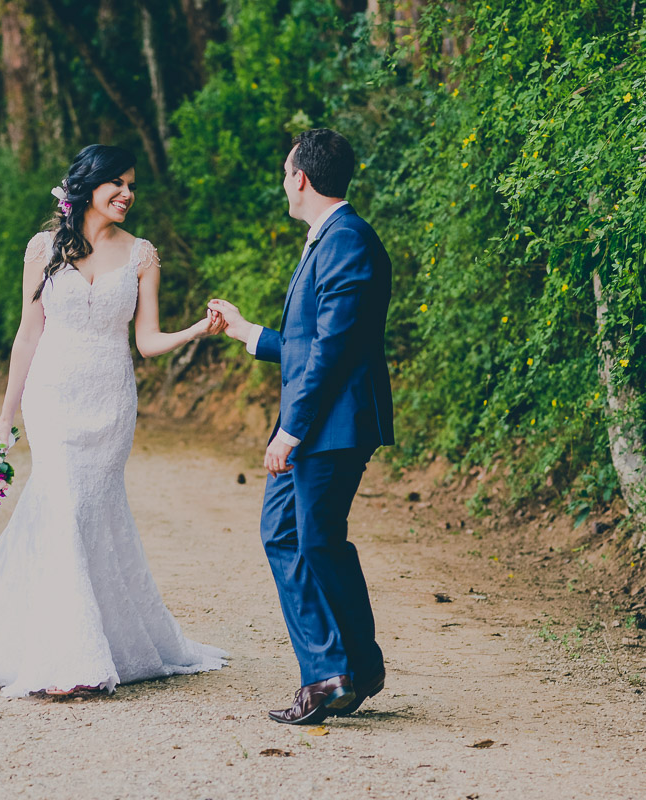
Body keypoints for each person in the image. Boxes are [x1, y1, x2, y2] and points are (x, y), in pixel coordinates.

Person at [0, 144, 228, 698]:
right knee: (63, 506)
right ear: (88, 186)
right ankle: (68, 658)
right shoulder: (43, 248)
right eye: (117, 183)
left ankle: (100, 640)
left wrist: (197, 329)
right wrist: (4, 417)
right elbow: (28, 335)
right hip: (50, 397)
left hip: (111, 399)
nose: (127, 194)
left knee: (92, 513)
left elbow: (145, 342)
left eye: (132, 185)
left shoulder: (142, 255)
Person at [209, 128, 394, 724]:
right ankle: (348, 669)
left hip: (331, 425)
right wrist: (247, 333)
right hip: (318, 420)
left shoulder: (348, 240)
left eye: (286, 173)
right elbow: (309, 341)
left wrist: (290, 430)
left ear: (301, 179)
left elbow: (335, 349)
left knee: (313, 539)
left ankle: (338, 673)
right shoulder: (329, 240)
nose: (284, 183)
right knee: (291, 535)